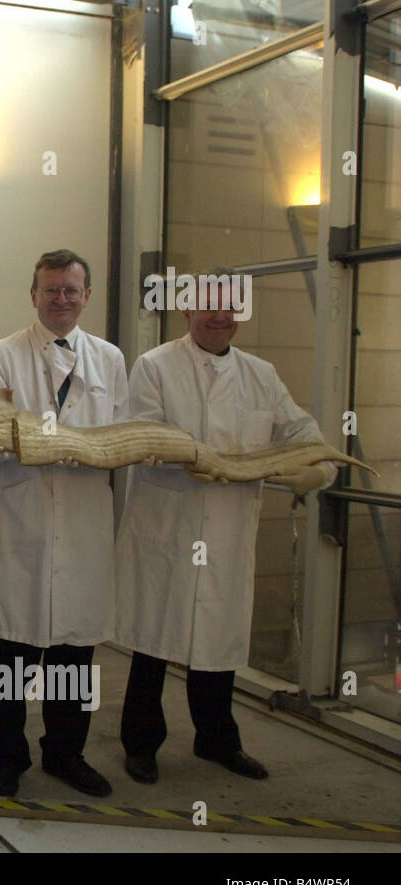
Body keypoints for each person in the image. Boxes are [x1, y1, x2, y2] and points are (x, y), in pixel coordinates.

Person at [115, 282, 334, 783]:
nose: (220, 316)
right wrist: (198, 459)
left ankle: (216, 740)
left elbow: (300, 430)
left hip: (228, 533)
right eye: (209, 305)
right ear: (188, 308)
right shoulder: (155, 366)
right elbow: (143, 435)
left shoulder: (261, 375)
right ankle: (141, 744)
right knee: (152, 644)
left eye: (229, 306)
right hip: (168, 527)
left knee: (216, 645)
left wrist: (318, 469)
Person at [0, 249, 127, 799]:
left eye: (71, 291)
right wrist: (39, 445)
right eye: (51, 290)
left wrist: (90, 450)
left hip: (84, 523)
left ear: (87, 296)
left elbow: (120, 438)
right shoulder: (2, 355)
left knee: (75, 652)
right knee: (14, 652)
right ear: (33, 294)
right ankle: (7, 757)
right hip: (25, 522)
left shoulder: (109, 359)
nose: (61, 300)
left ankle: (66, 754)